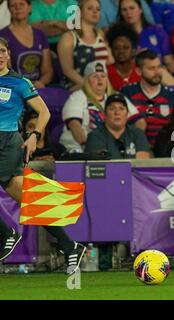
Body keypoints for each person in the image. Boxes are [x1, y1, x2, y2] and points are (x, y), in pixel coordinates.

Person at [0, 37, 85, 274]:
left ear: (8, 54)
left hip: (7, 141)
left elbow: (44, 112)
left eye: (2, 51)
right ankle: (70, 246)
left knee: (30, 200)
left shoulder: (19, 83)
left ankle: (6, 234)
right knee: (31, 201)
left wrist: (34, 135)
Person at [59, 60, 142, 152]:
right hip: (77, 148)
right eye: (95, 76)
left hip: (109, 149)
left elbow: (139, 122)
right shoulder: (77, 97)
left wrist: (137, 143)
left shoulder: (116, 97)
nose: (100, 79)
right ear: (87, 80)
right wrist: (90, 147)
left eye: (103, 76)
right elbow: (74, 125)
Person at [121, 49, 174, 149]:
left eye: (159, 67)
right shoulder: (126, 93)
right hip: (136, 149)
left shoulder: (173, 97)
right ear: (139, 71)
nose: (157, 72)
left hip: (167, 150)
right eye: (151, 68)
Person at [57, 0, 114, 91]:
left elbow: (110, 62)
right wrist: (90, 85)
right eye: (90, 8)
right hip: (78, 87)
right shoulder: (68, 37)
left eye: (98, 9)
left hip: (101, 86)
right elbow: (68, 70)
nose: (95, 11)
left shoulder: (101, 35)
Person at [118, 0, 174, 85]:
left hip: (159, 77)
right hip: (134, 77)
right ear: (121, 14)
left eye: (132, 8)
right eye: (124, 10)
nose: (128, 12)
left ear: (140, 10)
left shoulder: (157, 31)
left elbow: (171, 64)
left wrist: (159, 69)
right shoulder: (120, 37)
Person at [0, 0, 53, 87]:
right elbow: (5, 71)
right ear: (9, 9)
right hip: (14, 88)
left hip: (38, 88)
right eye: (13, 5)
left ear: (30, 7)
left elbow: (48, 71)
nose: (18, 7)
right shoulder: (2, 36)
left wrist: (40, 83)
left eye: (21, 4)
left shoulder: (40, 34)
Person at [85, 93, 151, 158]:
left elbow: (141, 164)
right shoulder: (95, 136)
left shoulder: (137, 134)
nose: (117, 112)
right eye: (112, 109)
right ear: (105, 114)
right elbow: (99, 166)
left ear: (127, 114)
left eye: (121, 108)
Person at [106, 22, 141, 90]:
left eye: (125, 47)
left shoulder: (141, 72)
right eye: (116, 48)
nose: (121, 51)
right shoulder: (105, 73)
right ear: (111, 51)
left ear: (133, 51)